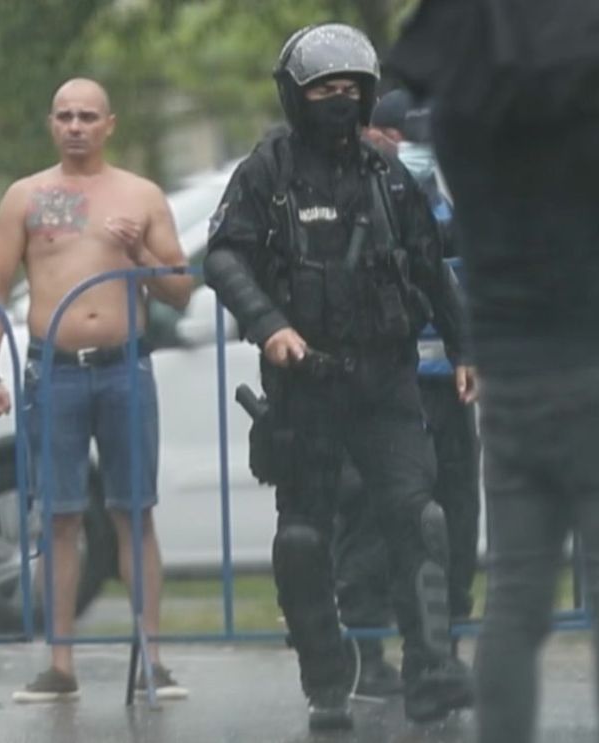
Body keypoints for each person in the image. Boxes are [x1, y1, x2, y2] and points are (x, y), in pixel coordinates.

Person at [203, 24, 476, 730]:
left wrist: (464, 348)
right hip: (305, 387)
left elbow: (429, 268)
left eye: (349, 89)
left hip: (385, 381)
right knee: (303, 540)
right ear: (297, 96)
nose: (337, 100)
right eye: (323, 89)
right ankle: (327, 676)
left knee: (424, 521)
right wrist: (272, 326)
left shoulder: (389, 178)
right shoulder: (267, 170)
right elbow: (224, 258)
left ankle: (431, 673)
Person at [387, 2, 599, 741]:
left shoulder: (462, 130)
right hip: (589, 364)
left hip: (511, 382)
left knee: (516, 598)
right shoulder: (578, 128)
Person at [0, 78, 193, 703]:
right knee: (61, 516)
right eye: (65, 116)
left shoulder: (140, 194)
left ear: (109, 125)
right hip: (56, 369)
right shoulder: (29, 196)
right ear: (51, 124)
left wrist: (142, 252)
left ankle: (153, 657)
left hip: (125, 366)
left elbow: (180, 288)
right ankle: (60, 663)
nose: (76, 126)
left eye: (87, 117)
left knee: (134, 510)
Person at [333, 88, 481, 696]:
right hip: (379, 384)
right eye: (399, 138)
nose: (410, 151)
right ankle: (369, 657)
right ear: (372, 133)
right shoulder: (347, 194)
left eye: (422, 141)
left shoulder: (452, 199)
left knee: (455, 512)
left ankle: (442, 651)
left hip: (447, 384)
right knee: (369, 514)